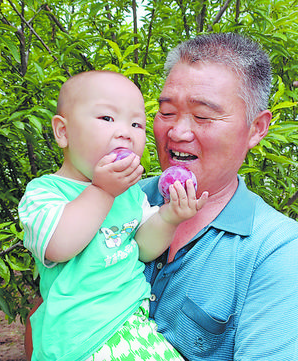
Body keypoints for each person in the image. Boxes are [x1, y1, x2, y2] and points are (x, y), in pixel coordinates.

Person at [139, 33, 298, 360]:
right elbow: (49, 319)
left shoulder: (275, 250)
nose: (177, 132)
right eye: (166, 112)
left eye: (203, 116)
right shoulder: (120, 199)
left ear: (256, 128)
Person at [18, 70, 208, 361]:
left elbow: (143, 249)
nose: (125, 132)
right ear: (63, 132)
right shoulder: (45, 193)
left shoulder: (130, 193)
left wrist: (170, 216)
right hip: (82, 338)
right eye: (107, 118)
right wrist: (102, 192)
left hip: (133, 323)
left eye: (137, 123)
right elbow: (59, 246)